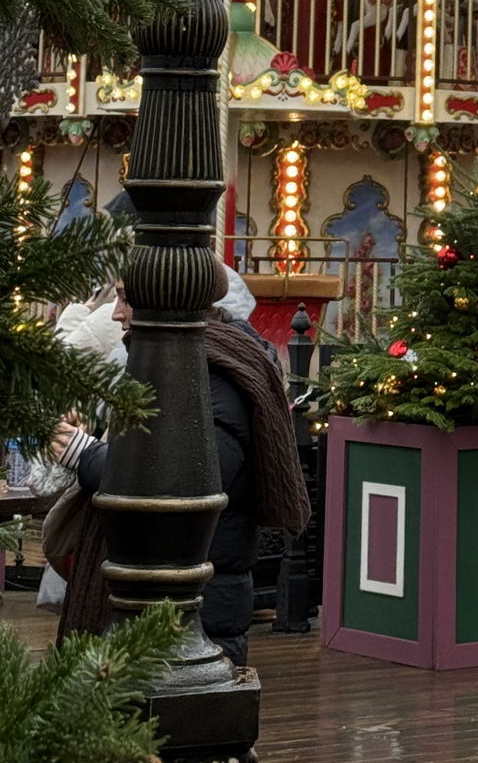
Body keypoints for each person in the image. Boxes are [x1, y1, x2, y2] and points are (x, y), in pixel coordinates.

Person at [51, 268, 307, 666]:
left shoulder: (214, 374)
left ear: (163, 301)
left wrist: (86, 455)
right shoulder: (182, 363)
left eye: (125, 299)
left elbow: (180, 480)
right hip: (173, 585)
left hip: (190, 594)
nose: (116, 313)